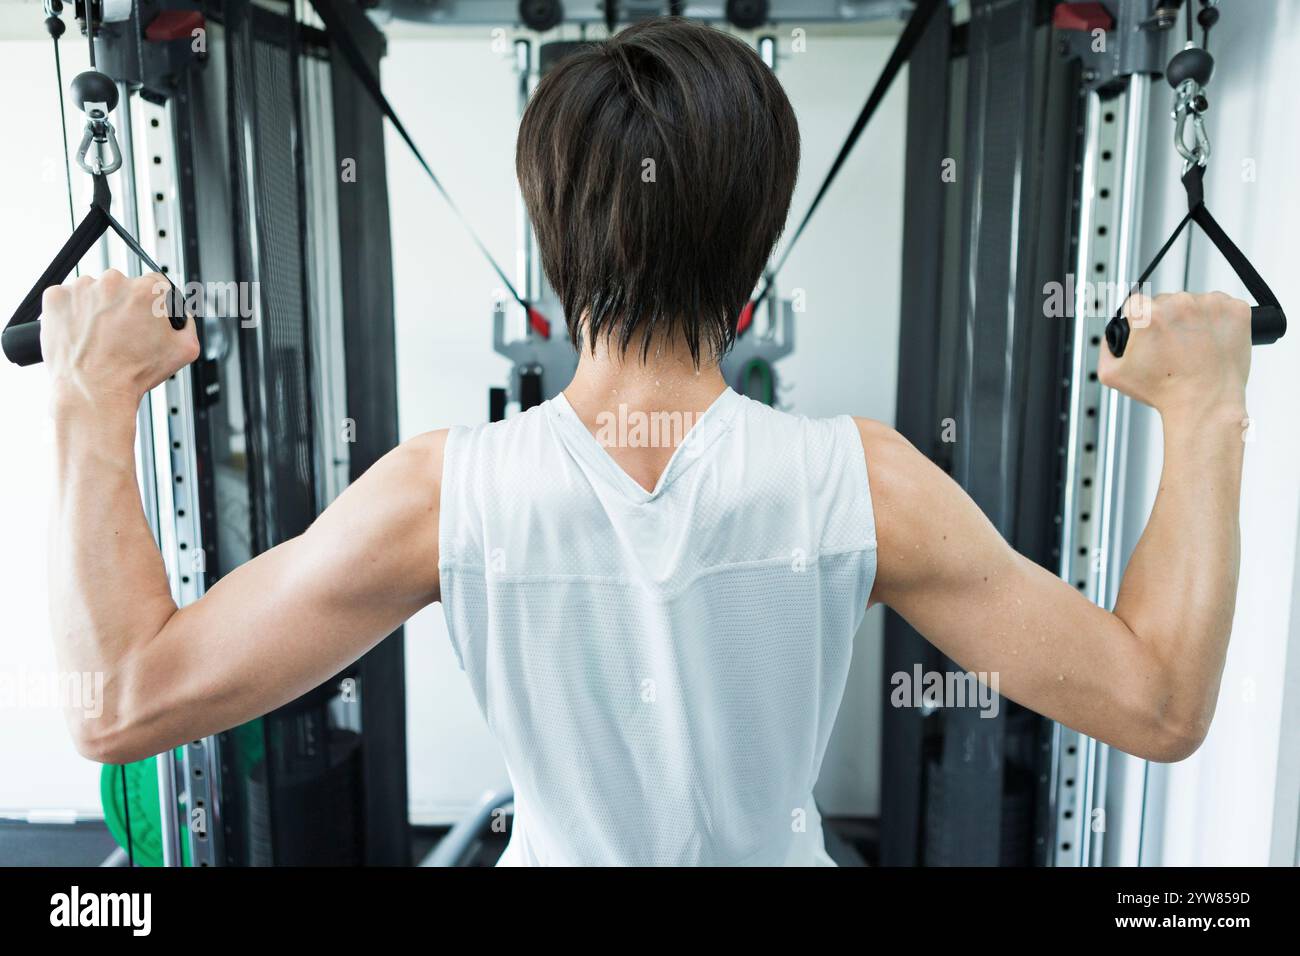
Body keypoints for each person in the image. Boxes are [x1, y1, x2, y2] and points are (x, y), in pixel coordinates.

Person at [40, 18, 1251, 866]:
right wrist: (1205, 410)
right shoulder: (863, 482)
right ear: (754, 246)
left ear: (555, 245)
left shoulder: (440, 494)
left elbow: (120, 702)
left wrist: (90, 399)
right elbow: (1157, 704)